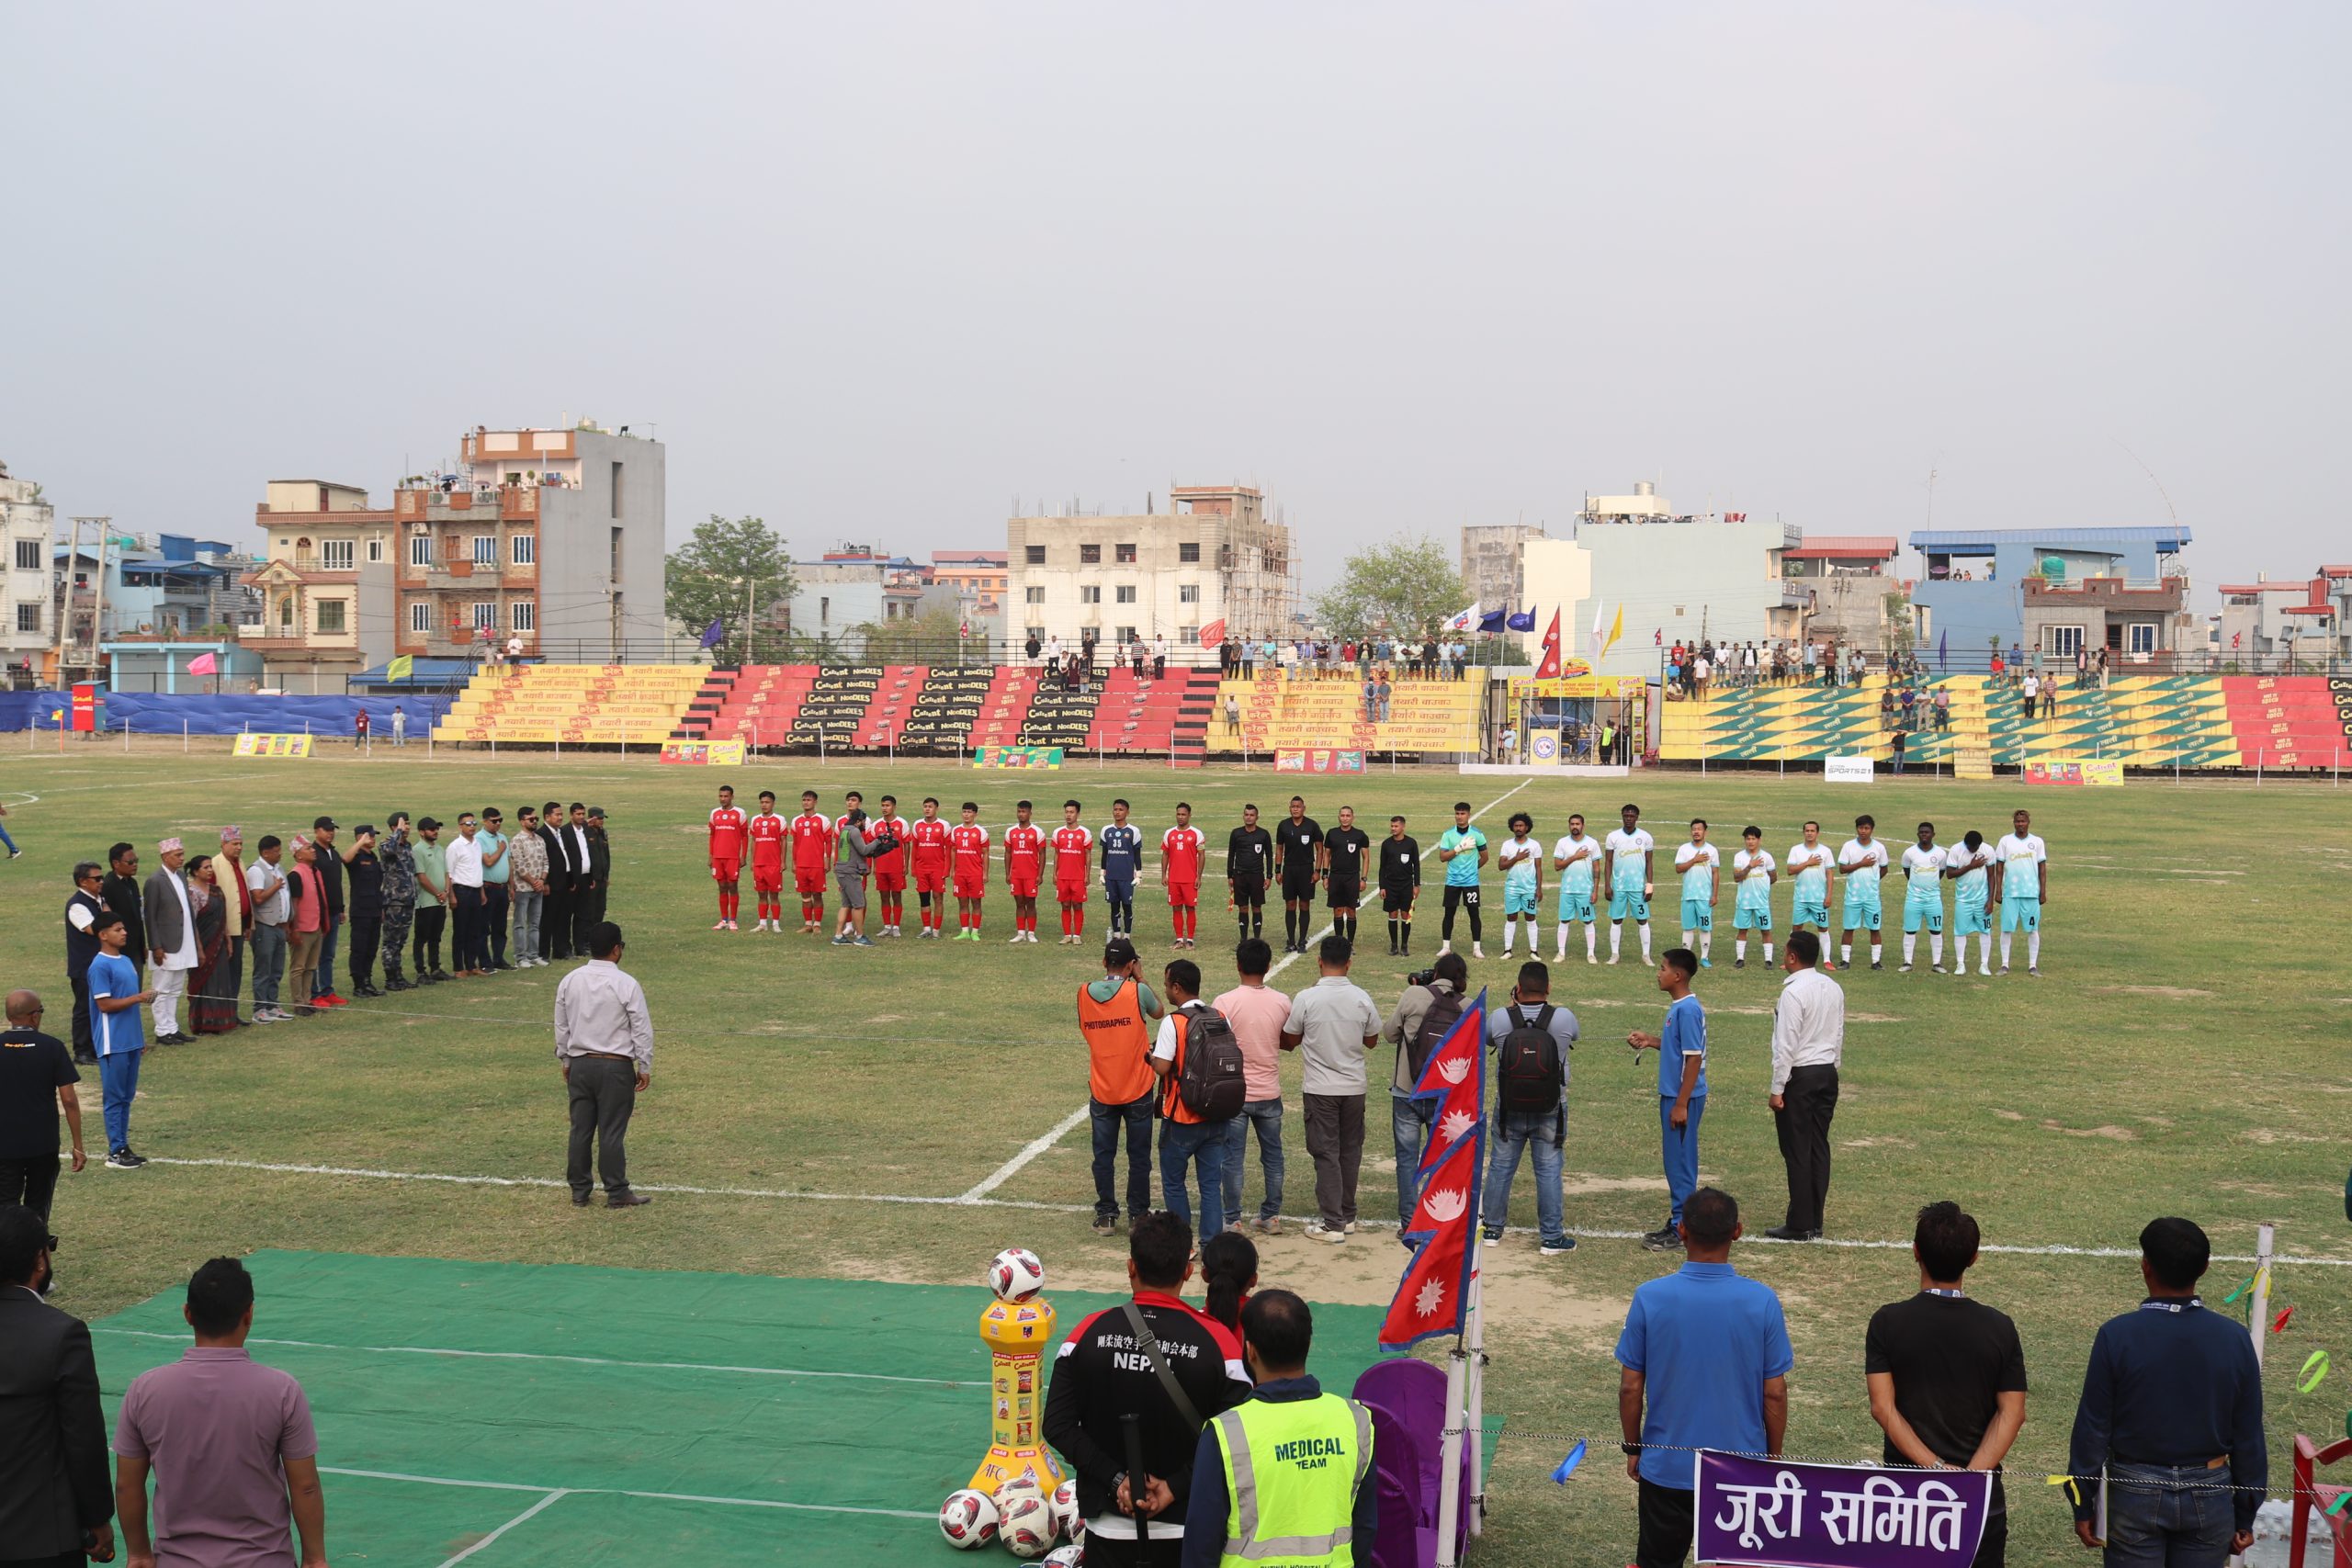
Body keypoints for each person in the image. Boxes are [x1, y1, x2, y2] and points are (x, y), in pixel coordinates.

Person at [1043, 1212, 1250, 1567]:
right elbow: (1239, 1437)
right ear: (1187, 1271)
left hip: (1107, 1528)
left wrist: (1117, 1480)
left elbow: (1057, 1425)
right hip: (1191, 1527)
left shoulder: (1085, 1334)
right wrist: (1173, 1487)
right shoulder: (1221, 1343)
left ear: (1130, 1267)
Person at [2067, 1217, 2264, 1567]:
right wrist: (2246, 1512)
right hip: (2210, 1493)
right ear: (2204, 1268)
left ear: (2145, 1266)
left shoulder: (2116, 1335)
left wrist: (2083, 1502)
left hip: (2133, 1492)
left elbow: (2092, 1429)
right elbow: (2248, 1433)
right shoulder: (2234, 1338)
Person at [1614, 1188, 1792, 1568]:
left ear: (1681, 1230)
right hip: (1740, 1470)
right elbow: (1775, 1394)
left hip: (1667, 1467)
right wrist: (1773, 1459)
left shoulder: (1649, 1297)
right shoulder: (1762, 1301)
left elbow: (1630, 1387)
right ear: (1737, 1231)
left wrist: (1633, 1448)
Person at [112, 1257, 326, 1568]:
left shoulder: (144, 1390)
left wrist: (139, 1553)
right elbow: (305, 1486)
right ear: (249, 1315)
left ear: (188, 1314)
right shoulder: (283, 1391)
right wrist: (315, 1559)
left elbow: (127, 1485)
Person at [1865, 1201, 2028, 1568]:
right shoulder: (2000, 1327)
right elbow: (2012, 1413)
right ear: (1974, 1258)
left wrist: (1935, 1467)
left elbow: (1882, 1408)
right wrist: (1968, 1479)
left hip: (1907, 1498)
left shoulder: (1887, 1322)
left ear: (1915, 1252)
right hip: (1979, 1500)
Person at [1181, 1289, 1378, 1568]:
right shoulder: (1356, 1421)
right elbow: (1365, 1529)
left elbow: (1201, 1542)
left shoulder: (1225, 1433)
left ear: (1250, 1350)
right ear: (1308, 1344)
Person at [0, 1206, 114, 1561]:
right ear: (39, 1261)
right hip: (42, 1538)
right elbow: (84, 1439)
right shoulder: (63, 1334)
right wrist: (98, 1518)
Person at [1282, 935, 1382, 1247]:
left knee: (1326, 1154)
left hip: (1321, 1089)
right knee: (1350, 1152)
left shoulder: (1306, 998)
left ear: (1319, 961)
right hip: (1354, 1087)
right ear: (1349, 963)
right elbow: (1372, 1040)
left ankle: (1332, 1223)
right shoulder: (1361, 997)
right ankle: (1347, 1216)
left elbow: (1290, 1040)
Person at [553, 920, 654, 1208]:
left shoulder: (570, 980)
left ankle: (579, 1190)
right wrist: (644, 1065)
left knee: (580, 1129)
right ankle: (617, 1191)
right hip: (615, 1066)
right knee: (611, 1131)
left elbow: (562, 1024)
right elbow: (641, 1028)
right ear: (616, 949)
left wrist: (566, 1058)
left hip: (581, 1064)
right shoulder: (626, 983)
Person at [1482, 961, 1577, 1253]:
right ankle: (1551, 1236)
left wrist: (1513, 1009)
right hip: (1551, 1106)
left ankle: (1492, 1229)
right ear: (1548, 988)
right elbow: (1574, 1036)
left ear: (1518, 988)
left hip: (1509, 1105)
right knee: (1548, 1171)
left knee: (1500, 1166)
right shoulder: (1563, 1017)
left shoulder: (1500, 1017)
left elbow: (1487, 1040)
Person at [1080, 937, 1164, 1236]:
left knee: (1103, 1155)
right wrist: (1140, 978)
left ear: (1105, 962)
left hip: (1103, 1086)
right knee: (1139, 1156)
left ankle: (1106, 1216)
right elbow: (1159, 1011)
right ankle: (1138, 1216)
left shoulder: (1084, 992)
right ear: (1131, 965)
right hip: (1137, 1086)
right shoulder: (1137, 990)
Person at [1384, 951, 1468, 1238]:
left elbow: (1389, 1034)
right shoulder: (1467, 1005)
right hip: (1445, 1093)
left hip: (1407, 1088)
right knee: (1442, 1161)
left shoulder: (1413, 994)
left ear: (1435, 972)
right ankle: (1438, 1221)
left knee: (1407, 1160)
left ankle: (1410, 1223)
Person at [1627, 949, 1706, 1252]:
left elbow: (1694, 1059)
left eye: (1663, 968)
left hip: (1681, 1097)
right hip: (1675, 1095)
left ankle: (1682, 1228)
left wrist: (1681, 1104)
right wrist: (1651, 1041)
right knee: (1675, 1162)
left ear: (1678, 975)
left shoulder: (1688, 1010)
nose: (1658, 973)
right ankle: (1679, 1221)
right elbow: (1679, 1048)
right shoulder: (1679, 1008)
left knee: (1680, 1163)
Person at [1768, 932, 1844, 1240]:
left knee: (1797, 1148)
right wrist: (1833, 1068)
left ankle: (1800, 1222)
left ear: (1792, 957)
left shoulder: (1793, 993)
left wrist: (1777, 1088)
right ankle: (1815, 1219)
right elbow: (1838, 1032)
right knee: (1818, 1146)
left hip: (1800, 1075)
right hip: (1826, 1071)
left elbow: (1786, 1044)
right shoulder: (1833, 987)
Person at [1212, 939, 1290, 1236]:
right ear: (1268, 966)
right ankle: (1271, 1216)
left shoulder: (1224, 1002)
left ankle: (1232, 1219)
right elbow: (1288, 1040)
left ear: (1238, 966)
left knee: (1232, 1159)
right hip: (1269, 1091)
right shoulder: (1282, 1001)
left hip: (1236, 1093)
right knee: (1273, 1156)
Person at [1152, 959, 1233, 1240]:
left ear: (1177, 987)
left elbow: (1163, 1067)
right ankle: (1211, 1244)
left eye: (1166, 985)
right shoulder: (1220, 1017)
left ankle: (1182, 1244)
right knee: (1210, 1184)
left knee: (1174, 1182)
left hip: (1182, 1115)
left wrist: (1151, 1057)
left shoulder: (1173, 1022)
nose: (1165, 990)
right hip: (1216, 1111)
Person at [0, 992, 84, 1223]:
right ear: (34, 1016)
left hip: (4, 1145)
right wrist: (78, 1145)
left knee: (4, 1207)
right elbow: (69, 1100)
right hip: (42, 1144)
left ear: (9, 1016)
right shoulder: (52, 1047)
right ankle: (37, 1243)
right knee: (38, 1207)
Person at [87, 912, 153, 1167]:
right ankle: (115, 1151)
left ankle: (123, 1146)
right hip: (112, 1042)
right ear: (103, 935)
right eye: (118, 929)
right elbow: (104, 1005)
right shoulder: (99, 966)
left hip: (131, 1041)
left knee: (126, 1096)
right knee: (114, 1098)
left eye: (123, 928)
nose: (124, 932)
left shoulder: (125, 961)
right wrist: (138, 998)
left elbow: (130, 1006)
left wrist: (139, 1038)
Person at [141, 838, 198, 1045]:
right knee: (162, 989)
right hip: (165, 945)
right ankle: (162, 1030)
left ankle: (172, 1027)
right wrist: (156, 946)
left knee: (175, 989)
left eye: (182, 854)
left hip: (184, 941)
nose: (182, 858)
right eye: (177, 855)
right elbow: (150, 917)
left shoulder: (181, 876)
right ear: (165, 857)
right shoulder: (155, 880)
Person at [184, 854, 238, 1035]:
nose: (209, 870)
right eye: (205, 867)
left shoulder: (216, 890)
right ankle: (202, 1022)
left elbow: (223, 918)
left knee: (219, 980)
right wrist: (199, 948)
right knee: (202, 981)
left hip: (218, 942)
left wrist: (228, 940)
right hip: (201, 942)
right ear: (195, 871)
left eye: (210, 867)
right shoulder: (191, 892)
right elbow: (192, 922)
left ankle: (219, 1020)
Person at [1991, 808, 2048, 977]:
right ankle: (2004, 965)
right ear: (2013, 823)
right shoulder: (2005, 841)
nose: (2020, 824)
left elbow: (2042, 868)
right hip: (2010, 893)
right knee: (2006, 929)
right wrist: (1998, 890)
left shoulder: (2037, 842)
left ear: (2028, 823)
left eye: (2023, 821)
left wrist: (2043, 891)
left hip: (2031, 893)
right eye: (2017, 821)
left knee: (2032, 929)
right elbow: (1999, 867)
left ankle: (2032, 966)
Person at [65, 861, 109, 1065]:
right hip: (84, 966)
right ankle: (82, 1052)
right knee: (84, 1009)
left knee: (98, 1007)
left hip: (98, 964)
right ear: (83, 881)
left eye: (102, 878)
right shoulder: (77, 905)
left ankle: (95, 1047)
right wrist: (106, 915)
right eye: (97, 878)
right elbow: (95, 930)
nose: (101, 882)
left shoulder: (98, 900)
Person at [1602, 803, 1656, 966]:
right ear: (1622, 816)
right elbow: (1608, 861)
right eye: (1626, 816)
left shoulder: (1646, 837)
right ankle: (1614, 954)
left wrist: (1649, 886)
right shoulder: (1613, 836)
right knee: (1616, 920)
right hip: (1619, 887)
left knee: (1642, 920)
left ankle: (1646, 955)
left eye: (1632, 816)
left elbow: (1649, 862)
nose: (1628, 819)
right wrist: (1607, 885)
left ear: (1637, 817)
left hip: (1638, 888)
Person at [1836, 814, 1891, 971]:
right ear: (1857, 829)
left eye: (1866, 828)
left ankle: (1876, 962)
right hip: (1852, 896)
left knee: (1874, 928)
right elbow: (1842, 869)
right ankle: (1845, 961)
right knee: (1849, 928)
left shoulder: (1879, 847)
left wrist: (1874, 880)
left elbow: (1884, 868)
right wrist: (1861, 863)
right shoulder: (1848, 846)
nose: (1863, 831)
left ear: (1872, 829)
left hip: (1872, 897)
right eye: (1860, 828)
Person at [246, 834, 292, 1018]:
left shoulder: (279, 868)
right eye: (276, 851)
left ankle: (273, 1004)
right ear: (265, 853)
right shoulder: (256, 871)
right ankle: (260, 1008)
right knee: (263, 969)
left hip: (279, 926)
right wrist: (276, 886)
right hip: (264, 926)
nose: (280, 854)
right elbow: (257, 898)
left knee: (276, 969)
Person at [282, 836, 327, 1020]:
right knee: (299, 967)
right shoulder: (296, 875)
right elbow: (294, 904)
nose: (313, 850)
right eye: (308, 848)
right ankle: (298, 1002)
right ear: (298, 855)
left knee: (311, 967)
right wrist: (294, 929)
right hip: (302, 928)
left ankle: (307, 1000)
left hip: (316, 926)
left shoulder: (314, 871)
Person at [1273, 796, 1324, 955]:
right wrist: (1277, 870)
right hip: (1289, 869)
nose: (1295, 809)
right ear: (1289, 808)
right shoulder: (1283, 825)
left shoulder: (1312, 825)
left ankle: (1302, 941)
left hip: (1306, 870)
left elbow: (1320, 849)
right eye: (1293, 806)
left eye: (1298, 806)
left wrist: (1317, 871)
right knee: (1290, 905)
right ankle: (1291, 941)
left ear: (1304, 808)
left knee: (1304, 905)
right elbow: (1279, 849)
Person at [1550, 813, 1602, 964]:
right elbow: (1557, 866)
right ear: (1569, 825)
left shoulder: (1592, 843)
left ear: (1583, 825)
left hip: (1585, 891)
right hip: (1567, 890)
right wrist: (1575, 856)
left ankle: (1591, 954)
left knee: (1588, 921)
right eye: (1572, 824)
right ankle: (1561, 953)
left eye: (1577, 824)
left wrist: (1595, 891)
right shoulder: (1562, 842)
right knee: (1564, 920)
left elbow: (1596, 868)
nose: (1575, 827)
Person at [339, 823, 383, 998]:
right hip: (361, 911)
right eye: (369, 836)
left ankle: (367, 980)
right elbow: (345, 859)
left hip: (375, 909)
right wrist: (359, 843)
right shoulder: (356, 857)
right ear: (359, 837)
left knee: (371, 948)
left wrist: (381, 908)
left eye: (373, 836)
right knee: (359, 949)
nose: (372, 839)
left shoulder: (372, 857)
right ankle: (358, 985)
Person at [308, 818, 348, 1009]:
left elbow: (336, 883)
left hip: (333, 911)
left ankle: (327, 990)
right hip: (318, 913)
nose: (331, 833)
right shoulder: (312, 853)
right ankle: (314, 993)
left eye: (332, 829)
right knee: (315, 955)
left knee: (328, 954)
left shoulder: (334, 852)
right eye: (327, 829)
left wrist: (341, 909)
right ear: (317, 831)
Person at [215, 827, 254, 1026]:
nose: (239, 847)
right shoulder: (215, 864)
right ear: (223, 844)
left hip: (239, 928)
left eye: (241, 844)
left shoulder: (240, 863)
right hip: (223, 930)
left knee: (236, 971)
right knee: (223, 972)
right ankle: (221, 1014)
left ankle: (232, 1012)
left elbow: (243, 894)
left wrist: (248, 924)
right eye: (234, 844)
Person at [1898, 821, 1949, 974]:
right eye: (1921, 832)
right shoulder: (1909, 853)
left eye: (1927, 832)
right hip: (1914, 899)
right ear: (1918, 834)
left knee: (1936, 930)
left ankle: (1937, 963)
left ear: (1933, 834)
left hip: (1933, 899)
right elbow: (1907, 871)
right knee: (1910, 930)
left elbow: (1941, 872)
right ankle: (1907, 962)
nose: (1924, 835)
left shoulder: (1940, 853)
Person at [1320, 805, 1370, 950]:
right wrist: (1325, 876)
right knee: (1337, 910)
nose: (1345, 818)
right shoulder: (1332, 833)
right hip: (1335, 877)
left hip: (1352, 878)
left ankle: (1350, 943)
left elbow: (1366, 858)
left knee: (1351, 911)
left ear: (1353, 817)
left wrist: (1363, 878)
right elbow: (1327, 855)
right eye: (1342, 815)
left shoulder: (1360, 835)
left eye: (1348, 815)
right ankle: (1339, 942)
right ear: (1339, 817)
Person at [1948, 829, 1995, 978]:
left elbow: (1991, 876)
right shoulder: (1956, 850)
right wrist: (1971, 866)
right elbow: (1950, 874)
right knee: (1960, 932)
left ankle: (1984, 964)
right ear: (1965, 843)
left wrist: (1990, 900)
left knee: (1985, 931)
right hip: (1963, 900)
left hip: (1982, 900)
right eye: (1970, 847)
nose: (1973, 850)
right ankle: (1960, 964)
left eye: (1976, 847)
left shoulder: (1988, 850)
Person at [830, 800, 877, 948]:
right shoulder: (855, 831)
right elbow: (864, 850)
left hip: (842, 870)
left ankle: (838, 935)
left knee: (846, 904)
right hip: (850, 872)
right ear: (858, 821)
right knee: (858, 904)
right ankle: (860, 936)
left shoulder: (844, 829)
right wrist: (877, 842)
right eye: (863, 822)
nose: (864, 825)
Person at [1496, 810, 1543, 959]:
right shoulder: (1507, 845)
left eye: (1521, 826)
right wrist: (1516, 858)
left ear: (1527, 827)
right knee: (1511, 917)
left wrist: (1539, 888)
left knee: (1530, 917)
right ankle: (1507, 950)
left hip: (1529, 889)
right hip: (1512, 889)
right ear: (1512, 827)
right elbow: (1501, 866)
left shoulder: (1534, 845)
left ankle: (1534, 951)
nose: (1518, 828)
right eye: (1516, 826)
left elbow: (1538, 868)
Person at [100, 843, 148, 991]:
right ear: (116, 863)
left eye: (136, 861)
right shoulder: (108, 885)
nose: (135, 865)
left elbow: (138, 917)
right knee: (122, 992)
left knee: (135, 991)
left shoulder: (132, 883)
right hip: (120, 950)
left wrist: (142, 945)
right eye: (130, 862)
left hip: (135, 948)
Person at [445, 813, 488, 976]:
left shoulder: (477, 844)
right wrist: (451, 896)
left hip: (476, 890)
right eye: (468, 824)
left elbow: (478, 869)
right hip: (461, 891)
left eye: (474, 823)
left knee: (474, 930)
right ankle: (458, 967)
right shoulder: (455, 846)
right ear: (460, 826)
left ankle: (471, 965)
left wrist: (481, 891)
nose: (472, 826)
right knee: (460, 931)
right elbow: (449, 873)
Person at [1729, 826, 1777, 969]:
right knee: (1742, 929)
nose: (1750, 841)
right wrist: (1750, 866)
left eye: (1753, 839)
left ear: (1759, 840)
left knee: (1765, 930)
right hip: (1744, 902)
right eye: (1748, 839)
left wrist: (1763, 886)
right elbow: (1737, 877)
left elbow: (1773, 877)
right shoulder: (1739, 856)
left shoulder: (1767, 857)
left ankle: (1768, 960)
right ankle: (1740, 959)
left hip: (1761, 902)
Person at [507, 807, 548, 965]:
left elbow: (546, 862)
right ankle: (520, 956)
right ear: (522, 821)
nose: (535, 821)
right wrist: (534, 882)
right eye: (531, 819)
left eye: (536, 819)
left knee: (534, 924)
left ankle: (533, 954)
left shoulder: (540, 840)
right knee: (520, 924)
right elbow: (519, 866)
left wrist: (542, 880)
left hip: (538, 888)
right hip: (523, 889)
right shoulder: (517, 841)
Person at [1226, 805, 1272, 945]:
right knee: (1243, 907)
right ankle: (1244, 940)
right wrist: (1230, 875)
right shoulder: (1236, 833)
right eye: (1246, 814)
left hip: (1257, 876)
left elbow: (1269, 856)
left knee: (1256, 907)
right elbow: (1231, 855)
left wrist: (1269, 876)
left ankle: (1257, 940)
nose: (1249, 817)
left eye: (1252, 815)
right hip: (1240, 875)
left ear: (1257, 817)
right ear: (1243, 816)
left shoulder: (1263, 834)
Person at [1160, 803, 1204, 950]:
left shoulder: (1197, 834)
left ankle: (1190, 940)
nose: (1180, 817)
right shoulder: (1169, 833)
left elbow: (1202, 855)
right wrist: (1164, 874)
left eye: (1183, 814)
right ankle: (1179, 939)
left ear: (1189, 815)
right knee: (1176, 908)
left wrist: (1198, 876)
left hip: (1190, 879)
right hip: (1174, 879)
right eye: (1178, 814)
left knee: (1190, 908)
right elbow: (1165, 854)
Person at [787, 789, 831, 934]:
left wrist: (827, 861)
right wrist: (794, 862)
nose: (806, 802)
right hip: (801, 865)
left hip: (817, 864)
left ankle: (817, 924)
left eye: (809, 800)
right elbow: (795, 844)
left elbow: (828, 842)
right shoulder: (796, 821)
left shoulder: (823, 820)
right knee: (805, 895)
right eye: (804, 800)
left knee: (817, 894)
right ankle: (808, 924)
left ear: (815, 802)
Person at [1100, 799, 1144, 941]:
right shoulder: (1106, 830)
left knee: (1127, 906)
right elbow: (1104, 854)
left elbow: (1137, 855)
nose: (1117, 812)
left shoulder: (1133, 831)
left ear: (1127, 812)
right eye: (1115, 809)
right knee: (1114, 906)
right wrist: (1102, 873)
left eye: (1121, 810)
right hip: (1111, 876)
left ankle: (1127, 936)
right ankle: (1117, 935)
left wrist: (1138, 875)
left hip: (1126, 877)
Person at [1376, 814, 1420, 956]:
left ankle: (1404, 945)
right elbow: (1382, 867)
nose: (1393, 828)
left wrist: (1416, 885)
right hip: (1390, 885)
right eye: (1392, 826)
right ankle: (1394, 945)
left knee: (1406, 914)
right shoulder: (1386, 844)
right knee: (1393, 913)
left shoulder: (1411, 843)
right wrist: (1382, 887)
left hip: (1406, 884)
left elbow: (1416, 865)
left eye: (1396, 826)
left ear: (1403, 827)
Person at [1053, 799, 1095, 945]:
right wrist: (1055, 873)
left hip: (1078, 876)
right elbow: (1057, 854)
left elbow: (1088, 855)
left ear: (1078, 814)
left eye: (1071, 812)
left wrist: (1087, 874)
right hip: (1063, 876)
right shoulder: (1058, 832)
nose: (1068, 815)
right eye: (1066, 812)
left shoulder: (1085, 832)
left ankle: (1077, 935)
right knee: (1065, 905)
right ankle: (1066, 935)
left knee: (1077, 905)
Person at [537, 799, 575, 960]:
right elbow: (541, 860)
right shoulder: (542, 835)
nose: (560, 818)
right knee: (548, 919)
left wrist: (571, 880)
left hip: (565, 881)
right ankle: (544, 952)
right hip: (551, 883)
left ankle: (561, 950)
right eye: (557, 815)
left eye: (561, 814)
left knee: (564, 918)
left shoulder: (562, 833)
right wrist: (545, 882)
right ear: (547, 817)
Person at [1004, 798, 1046, 944]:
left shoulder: (1037, 832)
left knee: (1031, 903)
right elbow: (1008, 853)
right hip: (1016, 874)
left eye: (1024, 812)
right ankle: (1021, 932)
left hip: (1031, 874)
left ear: (1030, 813)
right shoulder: (1011, 831)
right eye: (1019, 811)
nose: (1021, 814)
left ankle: (1031, 933)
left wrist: (1040, 874)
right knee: (1019, 903)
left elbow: (1042, 854)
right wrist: (1008, 873)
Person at [870, 794, 910, 938]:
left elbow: (906, 844)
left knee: (897, 895)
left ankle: (896, 926)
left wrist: (905, 864)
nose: (884, 808)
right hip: (881, 867)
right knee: (884, 896)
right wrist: (875, 865)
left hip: (896, 867)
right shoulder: (876, 825)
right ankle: (887, 926)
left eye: (887, 805)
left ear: (894, 807)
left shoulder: (902, 823)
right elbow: (873, 847)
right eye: (883, 805)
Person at [949, 802, 990, 941]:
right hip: (960, 873)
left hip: (975, 873)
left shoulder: (981, 831)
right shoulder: (956, 830)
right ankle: (965, 931)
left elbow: (985, 853)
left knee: (976, 902)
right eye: (964, 812)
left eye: (969, 812)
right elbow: (953, 850)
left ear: (975, 814)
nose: (966, 814)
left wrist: (985, 873)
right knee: (962, 902)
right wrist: (952, 869)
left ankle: (975, 932)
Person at [479, 807, 513, 967]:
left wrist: (512, 886)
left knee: (500, 926)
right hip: (488, 888)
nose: (498, 823)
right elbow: (488, 862)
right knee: (484, 927)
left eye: (500, 820)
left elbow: (508, 863)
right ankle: (485, 961)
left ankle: (499, 958)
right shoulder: (480, 839)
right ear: (485, 821)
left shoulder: (503, 837)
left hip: (502, 888)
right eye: (494, 821)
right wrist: (500, 849)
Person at [576, 807, 613, 944]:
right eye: (599, 818)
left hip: (602, 878)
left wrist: (606, 875)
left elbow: (606, 856)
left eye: (603, 818)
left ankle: (595, 939)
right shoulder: (584, 833)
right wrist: (586, 826)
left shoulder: (603, 833)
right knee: (589, 911)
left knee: (600, 910)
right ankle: (585, 940)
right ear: (591, 818)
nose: (602, 821)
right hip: (591, 879)